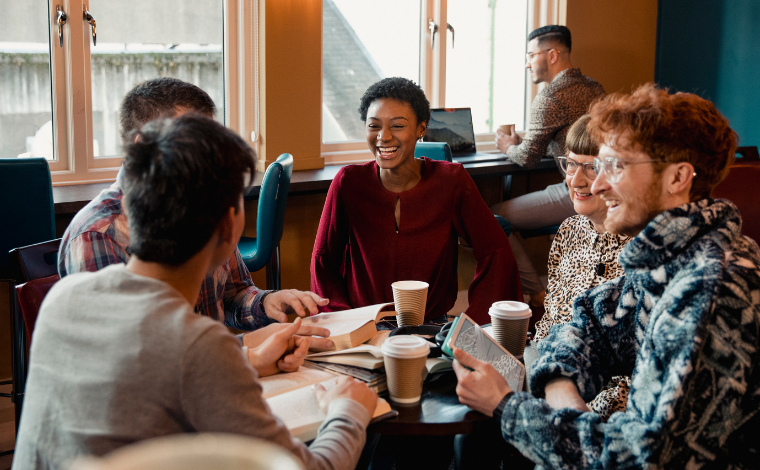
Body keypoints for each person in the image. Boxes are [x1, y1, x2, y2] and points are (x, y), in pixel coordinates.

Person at [12, 115, 377, 470]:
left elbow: (147, 356)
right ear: (230, 225)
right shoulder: (199, 347)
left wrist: (245, 354)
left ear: (128, 206)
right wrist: (349, 410)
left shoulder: (63, 299)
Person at [453, 84, 760, 468]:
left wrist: (507, 407)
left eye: (614, 166)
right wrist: (561, 390)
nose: (596, 184)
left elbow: (640, 459)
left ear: (678, 178)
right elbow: (588, 325)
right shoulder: (667, 259)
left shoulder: (710, 289)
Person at [58, 78, 328, 337]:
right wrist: (245, 353)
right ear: (143, 146)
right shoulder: (98, 234)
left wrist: (265, 303)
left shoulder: (205, 200)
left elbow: (234, 294)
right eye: (194, 140)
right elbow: (131, 360)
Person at [310, 77, 522, 325]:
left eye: (397, 126)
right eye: (374, 126)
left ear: (421, 129)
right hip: (363, 326)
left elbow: (495, 252)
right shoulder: (348, 182)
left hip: (431, 325)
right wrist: (342, 321)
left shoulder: (451, 180)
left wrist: (473, 324)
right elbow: (323, 261)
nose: (383, 136)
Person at [491, 25, 606, 311]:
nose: (527, 62)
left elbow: (528, 157)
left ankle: (537, 293)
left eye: (531, 54)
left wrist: (506, 145)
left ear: (552, 54)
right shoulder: (594, 87)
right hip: (605, 185)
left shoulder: (549, 97)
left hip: (578, 190)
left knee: (492, 218)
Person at [530, 114, 631, 421]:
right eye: (571, 164)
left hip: (601, 403)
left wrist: (581, 415)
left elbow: (633, 375)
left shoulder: (641, 250)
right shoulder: (570, 230)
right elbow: (550, 319)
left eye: (592, 167)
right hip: (550, 370)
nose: (576, 180)